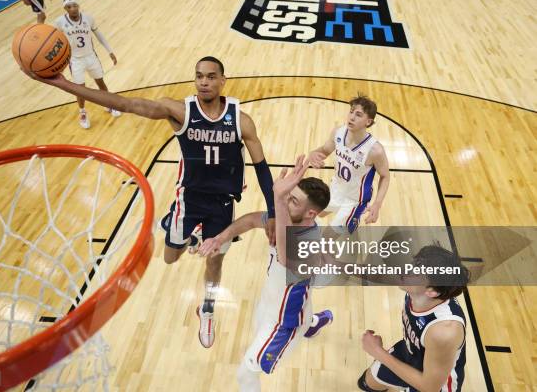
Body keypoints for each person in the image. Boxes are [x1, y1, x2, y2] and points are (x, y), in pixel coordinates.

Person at [22, 56, 277, 348]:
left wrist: (271, 210)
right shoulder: (178, 111)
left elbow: (262, 168)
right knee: (170, 258)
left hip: (222, 204)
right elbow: (126, 104)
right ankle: (175, 226)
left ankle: (206, 307)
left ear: (222, 81)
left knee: (215, 261)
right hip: (189, 200)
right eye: (199, 76)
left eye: (210, 76)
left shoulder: (241, 120)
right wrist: (64, 84)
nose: (204, 81)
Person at [200, 155, 334, 391]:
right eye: (289, 196)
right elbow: (252, 220)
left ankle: (307, 325)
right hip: (272, 300)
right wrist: (220, 238)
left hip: (286, 322)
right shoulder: (287, 219)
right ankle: (315, 322)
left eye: (293, 201)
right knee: (297, 306)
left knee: (247, 372)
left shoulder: (307, 244)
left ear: (311, 214)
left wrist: (279, 198)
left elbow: (284, 249)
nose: (286, 203)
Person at [358, 245, 469, 392]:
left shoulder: (444, 331)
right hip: (411, 354)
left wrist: (378, 351)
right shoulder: (417, 289)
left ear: (432, 291)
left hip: (433, 384)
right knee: (366, 383)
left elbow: (429, 387)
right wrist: (335, 265)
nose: (404, 270)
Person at [308, 94, 389, 233]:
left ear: (368, 122)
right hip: (336, 188)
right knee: (315, 214)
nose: (351, 117)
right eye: (351, 111)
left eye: (358, 115)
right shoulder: (338, 132)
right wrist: (312, 154)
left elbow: (385, 176)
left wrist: (377, 204)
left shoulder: (375, 150)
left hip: (355, 200)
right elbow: (325, 150)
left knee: (329, 238)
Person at [53, 0, 120, 129]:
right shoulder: (59, 22)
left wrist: (110, 51)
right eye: (69, 7)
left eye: (75, 5)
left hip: (91, 56)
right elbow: (55, 42)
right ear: (65, 9)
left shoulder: (88, 18)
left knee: (101, 82)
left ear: (78, 6)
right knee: (80, 90)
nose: (73, 9)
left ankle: (109, 104)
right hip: (75, 60)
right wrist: (58, 61)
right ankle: (82, 113)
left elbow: (99, 35)